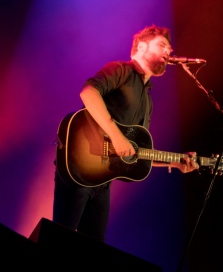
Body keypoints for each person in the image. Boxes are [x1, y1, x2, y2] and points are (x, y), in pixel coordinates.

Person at [53, 24, 200, 242]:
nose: (168, 52)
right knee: (57, 244)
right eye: (162, 45)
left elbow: (135, 152)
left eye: (169, 49)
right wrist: (116, 136)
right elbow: (88, 92)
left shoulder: (148, 100)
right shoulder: (120, 69)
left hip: (103, 182)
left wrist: (175, 162)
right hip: (79, 166)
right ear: (141, 46)